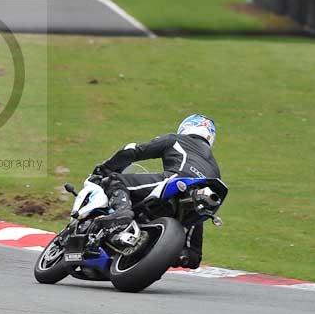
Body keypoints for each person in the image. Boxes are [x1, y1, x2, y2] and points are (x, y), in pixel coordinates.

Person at [91, 114, 220, 269]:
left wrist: (105, 168)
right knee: (195, 219)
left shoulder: (176, 139)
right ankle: (186, 253)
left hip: (176, 181)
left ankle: (122, 213)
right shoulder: (214, 166)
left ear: (186, 126)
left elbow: (135, 151)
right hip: (199, 199)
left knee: (115, 180)